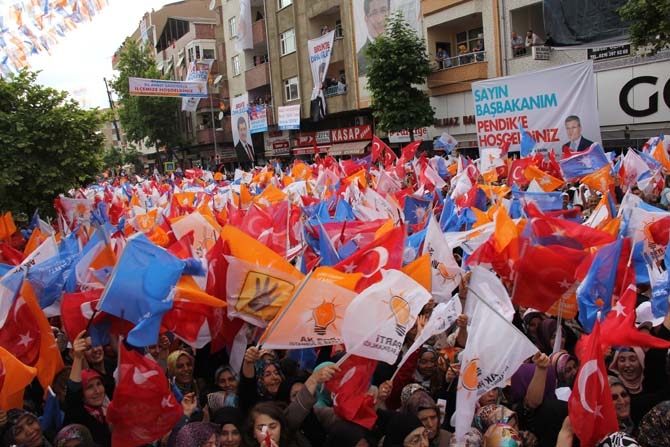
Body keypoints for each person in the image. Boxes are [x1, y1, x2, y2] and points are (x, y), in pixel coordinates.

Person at [357, 0, 390, 76]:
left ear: (389, 12)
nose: (380, 19)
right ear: (366, 18)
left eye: (383, 10)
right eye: (374, 13)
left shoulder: (400, 48)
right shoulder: (358, 59)